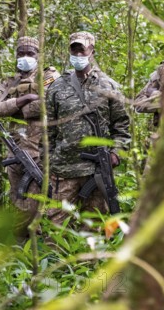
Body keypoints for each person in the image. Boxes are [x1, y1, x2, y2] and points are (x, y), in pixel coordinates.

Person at [46, 32, 131, 225]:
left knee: (94, 226)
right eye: (74, 49)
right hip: (63, 170)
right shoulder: (57, 87)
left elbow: (122, 126)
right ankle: (52, 257)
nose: (77, 53)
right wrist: (48, 162)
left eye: (81, 49)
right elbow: (49, 130)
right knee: (55, 226)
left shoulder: (108, 86)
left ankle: (93, 256)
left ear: (91, 51)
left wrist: (116, 153)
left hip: (97, 171)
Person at [0, 36, 60, 238]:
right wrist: (25, 98)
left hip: (43, 149)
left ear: (38, 55)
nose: (25, 58)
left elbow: (53, 103)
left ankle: (38, 245)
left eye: (30, 54)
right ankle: (23, 248)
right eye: (21, 54)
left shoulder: (49, 77)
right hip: (17, 151)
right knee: (19, 201)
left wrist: (17, 108)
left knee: (40, 203)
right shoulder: (8, 83)